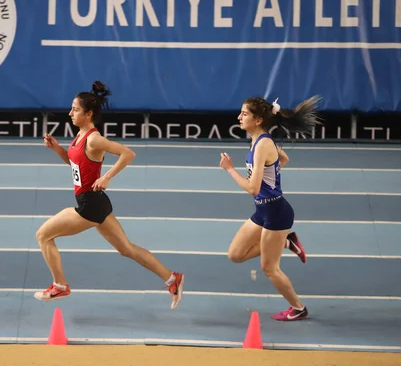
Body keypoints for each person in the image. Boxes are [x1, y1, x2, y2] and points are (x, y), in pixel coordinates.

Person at [34, 80, 185, 310]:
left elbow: (128, 153)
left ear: (89, 114)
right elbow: (76, 164)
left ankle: (60, 285)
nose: (70, 113)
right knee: (126, 249)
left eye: (75, 109)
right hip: (97, 203)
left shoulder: (94, 138)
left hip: (89, 204)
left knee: (43, 236)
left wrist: (107, 177)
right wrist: (57, 149)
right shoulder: (79, 135)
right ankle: (172, 278)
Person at [219, 96, 322, 321]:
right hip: (263, 211)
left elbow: (253, 188)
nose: (239, 117)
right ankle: (287, 241)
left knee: (269, 268)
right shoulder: (260, 141)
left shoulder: (262, 144)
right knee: (235, 254)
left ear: (257, 120)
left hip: (276, 213)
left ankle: (298, 308)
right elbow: (283, 158)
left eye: (244, 114)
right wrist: (270, 175)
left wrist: (229, 169)